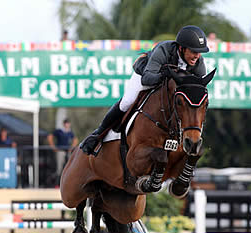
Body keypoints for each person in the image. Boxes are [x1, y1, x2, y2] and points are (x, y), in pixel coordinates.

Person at [80, 25, 210, 155]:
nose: (196, 56)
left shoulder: (198, 63)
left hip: (168, 87)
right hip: (146, 75)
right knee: (127, 101)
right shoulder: (163, 50)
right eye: (193, 51)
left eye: (199, 52)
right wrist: (163, 76)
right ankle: (97, 135)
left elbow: (197, 91)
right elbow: (146, 79)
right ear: (181, 48)